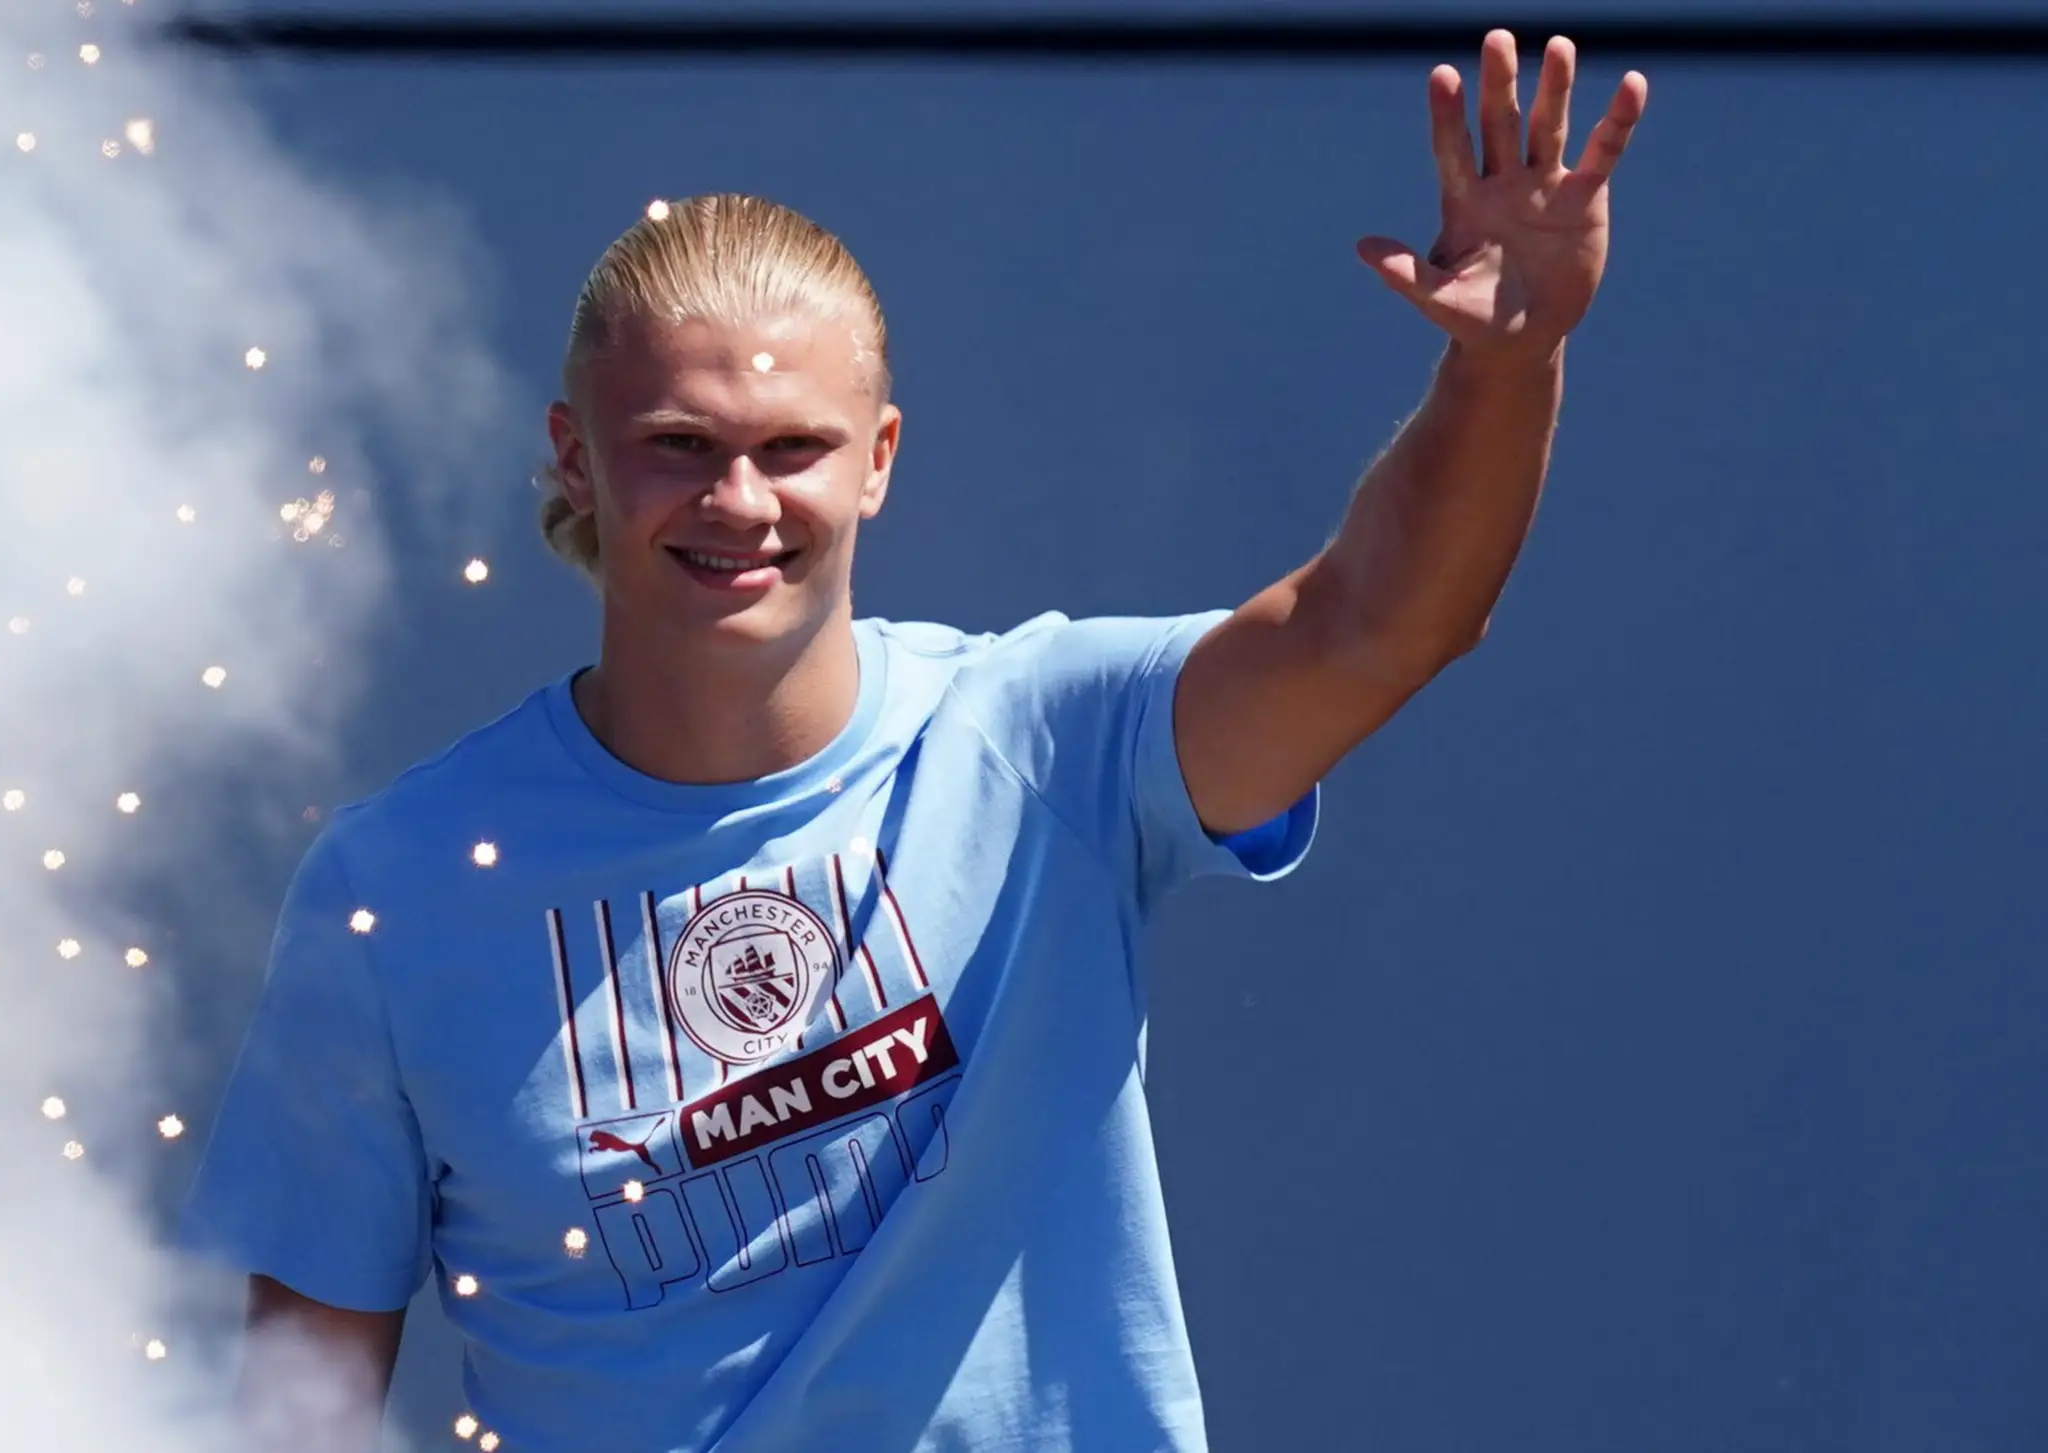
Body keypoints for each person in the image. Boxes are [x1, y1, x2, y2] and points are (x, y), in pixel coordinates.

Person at [180, 29, 1647, 1453]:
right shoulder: (397, 886)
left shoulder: (1044, 739)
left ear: (879, 458)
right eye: (679, 445)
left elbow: (1381, 625)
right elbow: (299, 1401)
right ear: (575, 456)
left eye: (794, 449)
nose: (740, 503)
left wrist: (1506, 368)